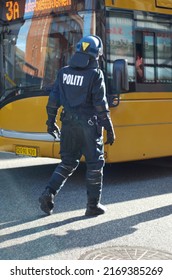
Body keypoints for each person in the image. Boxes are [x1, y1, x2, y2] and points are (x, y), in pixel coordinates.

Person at [39, 35, 115, 216]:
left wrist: (51, 122)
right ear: (96, 54)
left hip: (68, 124)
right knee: (95, 164)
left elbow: (53, 101)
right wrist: (110, 128)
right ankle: (92, 206)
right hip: (89, 126)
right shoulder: (95, 74)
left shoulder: (64, 72)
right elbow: (101, 106)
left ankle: (48, 193)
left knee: (67, 162)